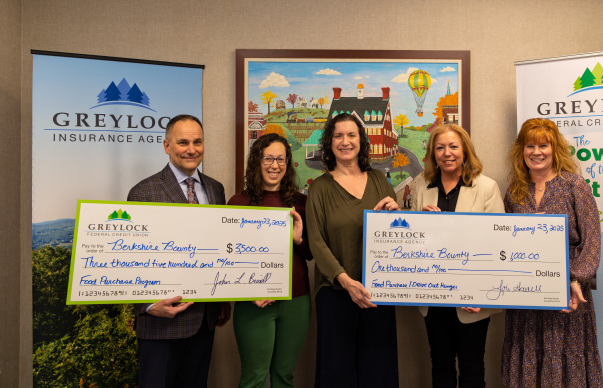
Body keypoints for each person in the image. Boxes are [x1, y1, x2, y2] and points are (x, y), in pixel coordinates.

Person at [127, 114, 231, 388]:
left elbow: (218, 247)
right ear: (167, 146)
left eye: (197, 142)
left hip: (204, 320)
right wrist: (147, 306)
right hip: (160, 322)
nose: (191, 149)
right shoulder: (143, 192)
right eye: (183, 142)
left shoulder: (216, 189)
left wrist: (223, 297)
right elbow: (130, 258)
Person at [501, 118, 603, 387]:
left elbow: (591, 241)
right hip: (525, 295)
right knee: (529, 355)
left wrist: (574, 278)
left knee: (564, 356)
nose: (536, 152)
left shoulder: (574, 185)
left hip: (568, 293)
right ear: (521, 150)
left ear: (554, 148)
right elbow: (504, 241)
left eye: (543, 145)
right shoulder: (514, 192)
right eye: (530, 146)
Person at [307, 113, 401, 387]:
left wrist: (398, 215)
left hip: (377, 292)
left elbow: (398, 237)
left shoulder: (379, 180)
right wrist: (346, 281)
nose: (345, 141)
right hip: (335, 292)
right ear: (329, 142)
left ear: (361, 141)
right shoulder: (319, 188)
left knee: (378, 372)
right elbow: (316, 242)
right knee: (338, 374)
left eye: (351, 135)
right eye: (338, 136)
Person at [411, 123, 504, 388]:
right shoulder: (422, 186)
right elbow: (412, 245)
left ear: (465, 151)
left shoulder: (486, 187)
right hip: (433, 295)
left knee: (472, 368)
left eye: (453, 146)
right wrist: (420, 224)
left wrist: (483, 293)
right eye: (440, 147)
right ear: (432, 153)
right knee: (440, 366)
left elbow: (498, 244)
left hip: (471, 298)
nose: (447, 153)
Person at [227, 133, 312, 388]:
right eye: (268, 158)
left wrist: (298, 240)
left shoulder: (301, 203)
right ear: (256, 161)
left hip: (296, 300)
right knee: (254, 377)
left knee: (284, 376)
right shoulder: (238, 203)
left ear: (288, 163)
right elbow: (227, 257)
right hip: (253, 301)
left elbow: (310, 253)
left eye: (280, 159)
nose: (275, 165)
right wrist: (247, 291)